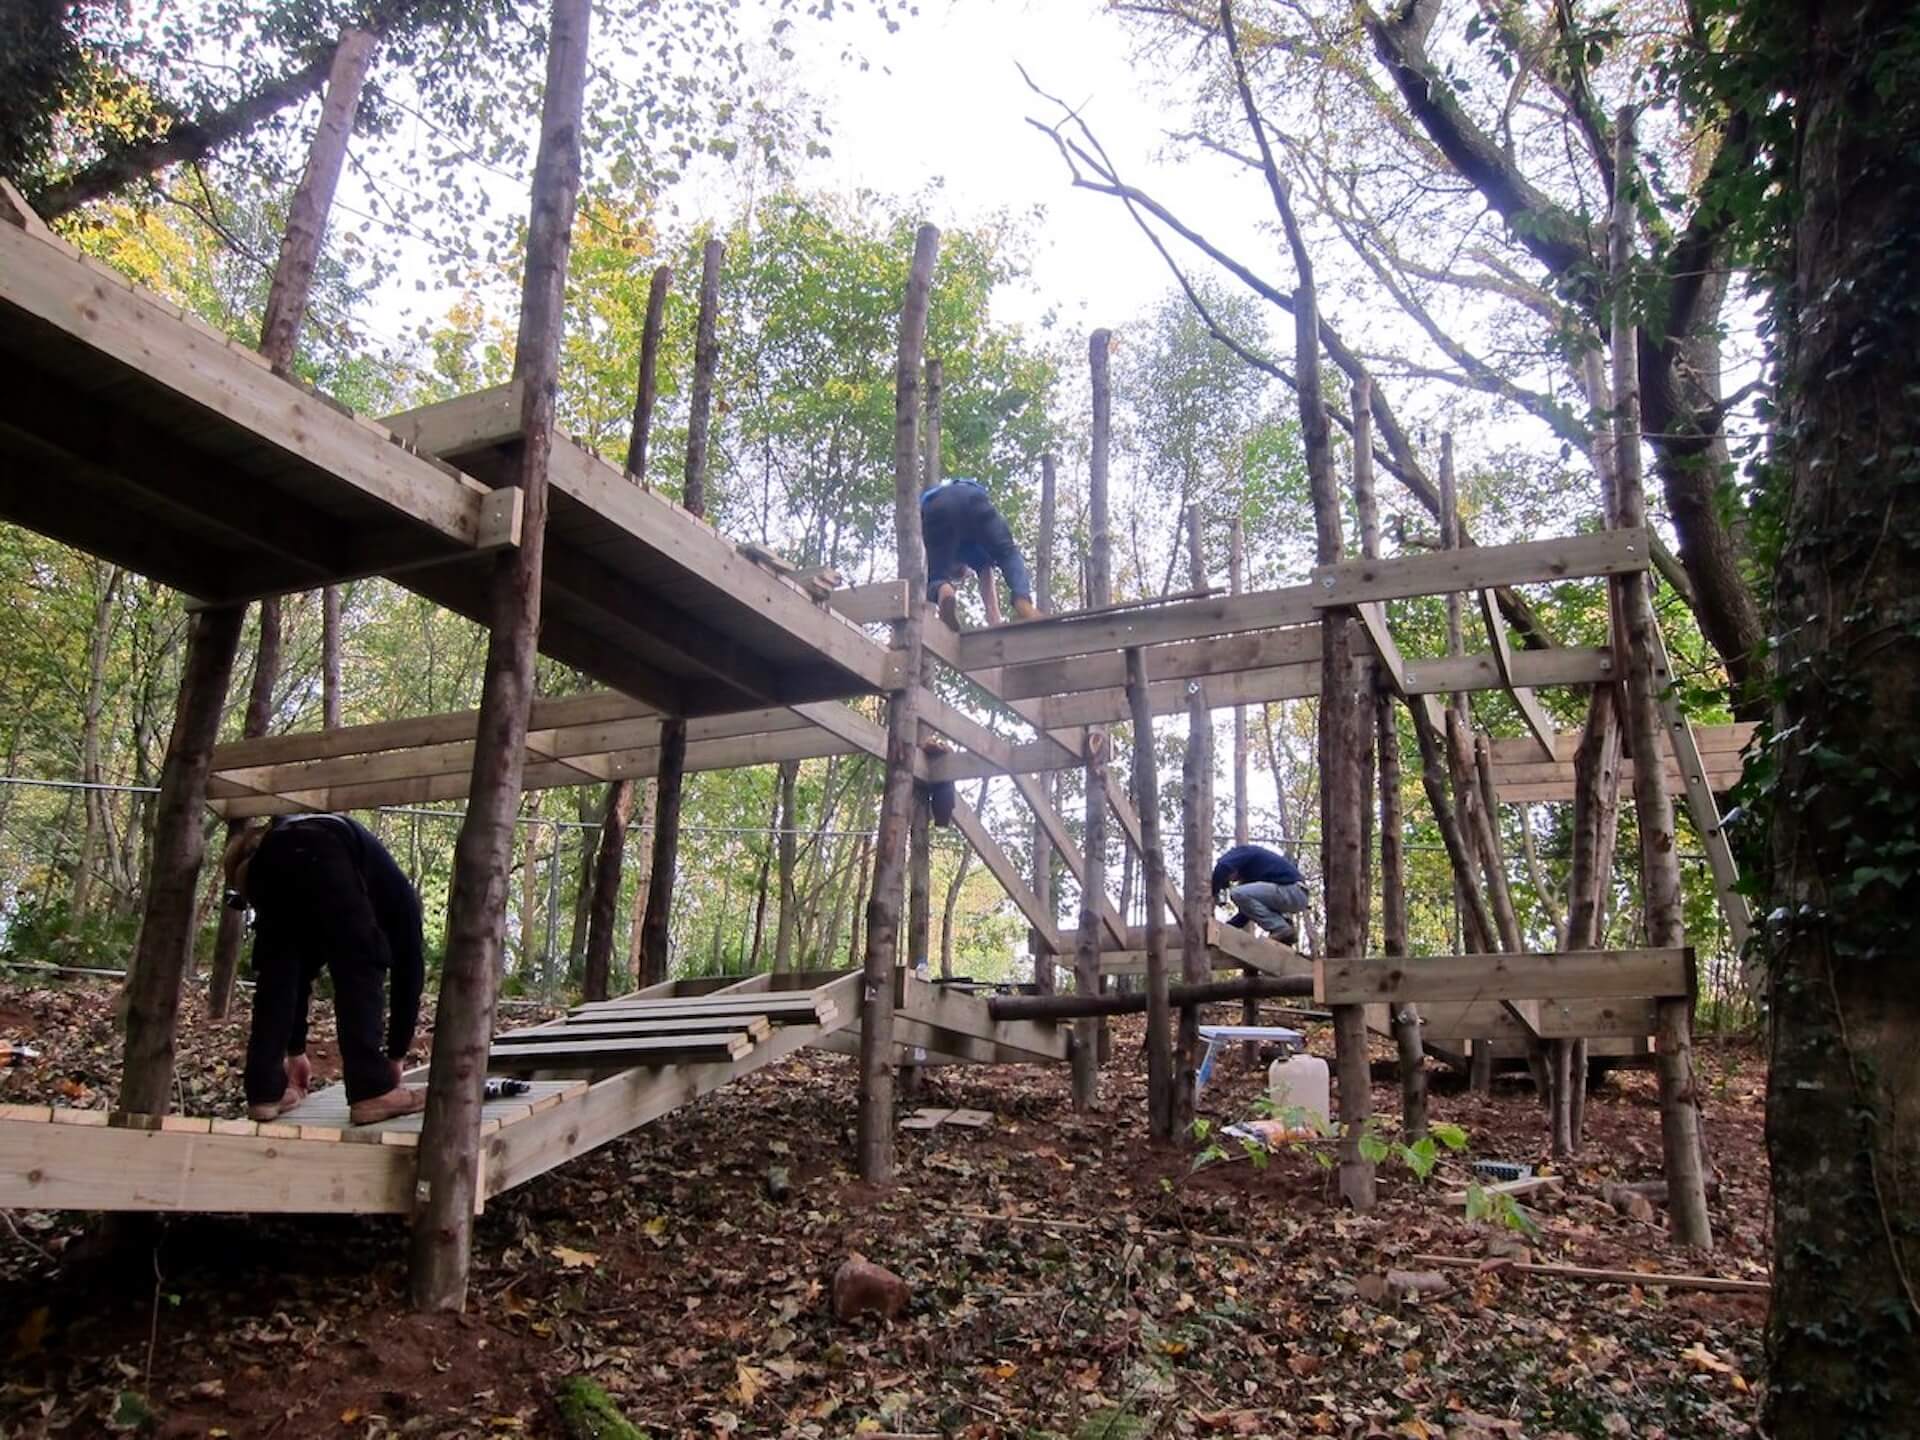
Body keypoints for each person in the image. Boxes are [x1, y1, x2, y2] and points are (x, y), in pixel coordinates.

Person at [223, 813, 427, 1126]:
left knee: (277, 971)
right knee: (360, 958)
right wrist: (393, 1059)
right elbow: (408, 971)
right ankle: (371, 1092)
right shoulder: (343, 864)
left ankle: (264, 1092)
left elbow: (292, 975)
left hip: (281, 859)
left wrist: (294, 1051)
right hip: (322, 850)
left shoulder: (281, 848)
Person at [920, 477, 1041, 628]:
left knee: (935, 579)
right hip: (972, 498)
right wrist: (994, 618)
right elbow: (986, 572)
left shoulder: (943, 551)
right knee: (1007, 552)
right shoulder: (970, 552)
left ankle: (943, 589)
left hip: (935, 508)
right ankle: (1022, 599)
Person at [1210, 842, 1310, 945]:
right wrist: (1225, 930)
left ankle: (1281, 927)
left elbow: (1222, 867)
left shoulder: (1241, 852)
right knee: (1241, 894)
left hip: (1292, 890)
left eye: (1229, 877)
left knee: (1237, 893)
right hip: (1296, 895)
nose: (1233, 880)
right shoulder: (1253, 877)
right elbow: (1246, 914)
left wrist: (1213, 892)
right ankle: (1285, 928)